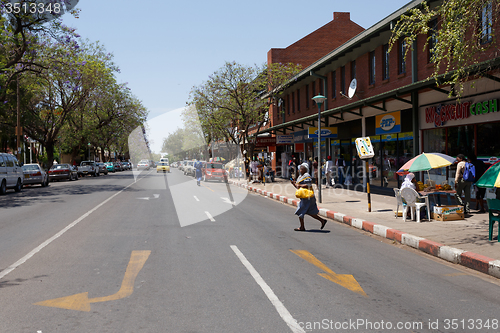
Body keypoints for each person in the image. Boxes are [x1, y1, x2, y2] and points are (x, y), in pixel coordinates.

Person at [291, 163, 328, 231]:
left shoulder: (307, 175)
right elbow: (298, 187)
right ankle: (322, 221)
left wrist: (300, 186)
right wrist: (294, 184)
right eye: (300, 167)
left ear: (306, 169)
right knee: (310, 212)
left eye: (302, 167)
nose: (300, 168)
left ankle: (302, 227)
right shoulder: (300, 177)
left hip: (307, 197)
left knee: (300, 211)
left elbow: (309, 184)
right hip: (305, 197)